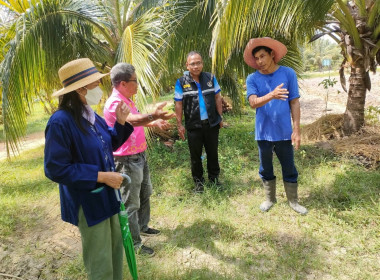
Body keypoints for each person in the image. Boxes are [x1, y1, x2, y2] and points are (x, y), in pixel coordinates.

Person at [44, 58, 134, 280]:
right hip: (89, 201)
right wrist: (101, 176)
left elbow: (108, 144)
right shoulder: (61, 122)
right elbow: (55, 168)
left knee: (115, 252)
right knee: (100, 263)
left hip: (108, 196)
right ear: (82, 88)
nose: (99, 88)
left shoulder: (90, 116)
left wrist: (121, 123)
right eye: (95, 83)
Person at [104, 63, 174, 256]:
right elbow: (131, 121)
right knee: (130, 203)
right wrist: (153, 115)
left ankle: (143, 226)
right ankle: (134, 243)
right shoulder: (114, 103)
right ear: (123, 83)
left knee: (145, 193)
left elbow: (138, 120)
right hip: (126, 160)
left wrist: (154, 122)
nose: (137, 85)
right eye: (135, 81)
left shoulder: (127, 99)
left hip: (139, 155)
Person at [244, 37, 308, 215]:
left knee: (289, 166)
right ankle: (269, 199)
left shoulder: (288, 74)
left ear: (272, 55)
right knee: (266, 167)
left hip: (284, 132)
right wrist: (272, 94)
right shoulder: (252, 78)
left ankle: (293, 201)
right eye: (256, 58)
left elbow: (294, 102)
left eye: (262, 56)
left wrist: (296, 130)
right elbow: (253, 103)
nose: (260, 61)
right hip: (263, 132)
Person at [174, 51, 223, 193]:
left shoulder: (210, 78)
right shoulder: (181, 82)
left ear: (202, 63)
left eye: (198, 63)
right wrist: (179, 124)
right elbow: (178, 104)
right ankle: (199, 183)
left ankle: (214, 179)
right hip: (193, 125)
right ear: (187, 65)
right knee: (195, 156)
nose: (196, 66)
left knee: (212, 153)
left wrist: (220, 117)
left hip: (211, 124)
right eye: (193, 63)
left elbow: (218, 98)